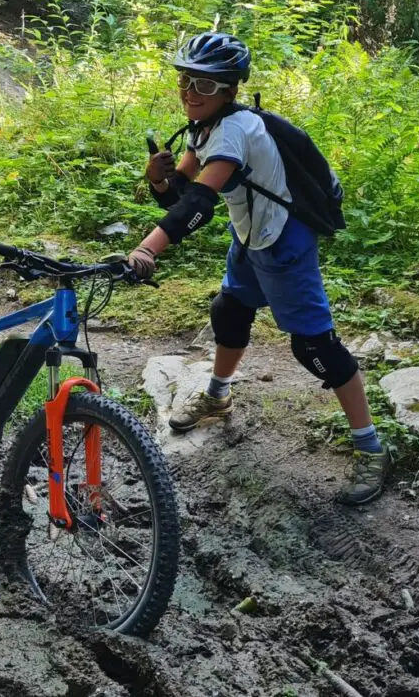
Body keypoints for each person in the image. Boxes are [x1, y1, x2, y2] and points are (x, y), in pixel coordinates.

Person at [127, 33, 392, 505]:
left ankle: (371, 448)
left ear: (229, 90)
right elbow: (179, 195)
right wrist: (157, 178)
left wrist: (148, 249)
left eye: (204, 86)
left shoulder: (234, 132)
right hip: (250, 237)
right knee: (229, 311)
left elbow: (201, 203)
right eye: (186, 81)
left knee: (316, 348)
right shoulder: (203, 128)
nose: (191, 92)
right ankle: (218, 395)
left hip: (284, 243)